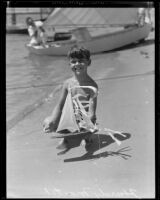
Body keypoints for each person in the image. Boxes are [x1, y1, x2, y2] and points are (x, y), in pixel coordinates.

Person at [43, 45, 98, 148]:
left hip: (84, 119)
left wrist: (90, 122)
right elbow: (60, 105)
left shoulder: (92, 86)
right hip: (69, 116)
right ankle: (66, 137)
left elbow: (92, 112)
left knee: (88, 129)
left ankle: (86, 137)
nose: (77, 64)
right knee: (49, 121)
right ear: (69, 64)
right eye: (73, 61)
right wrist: (52, 119)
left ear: (88, 62)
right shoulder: (67, 83)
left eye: (81, 60)